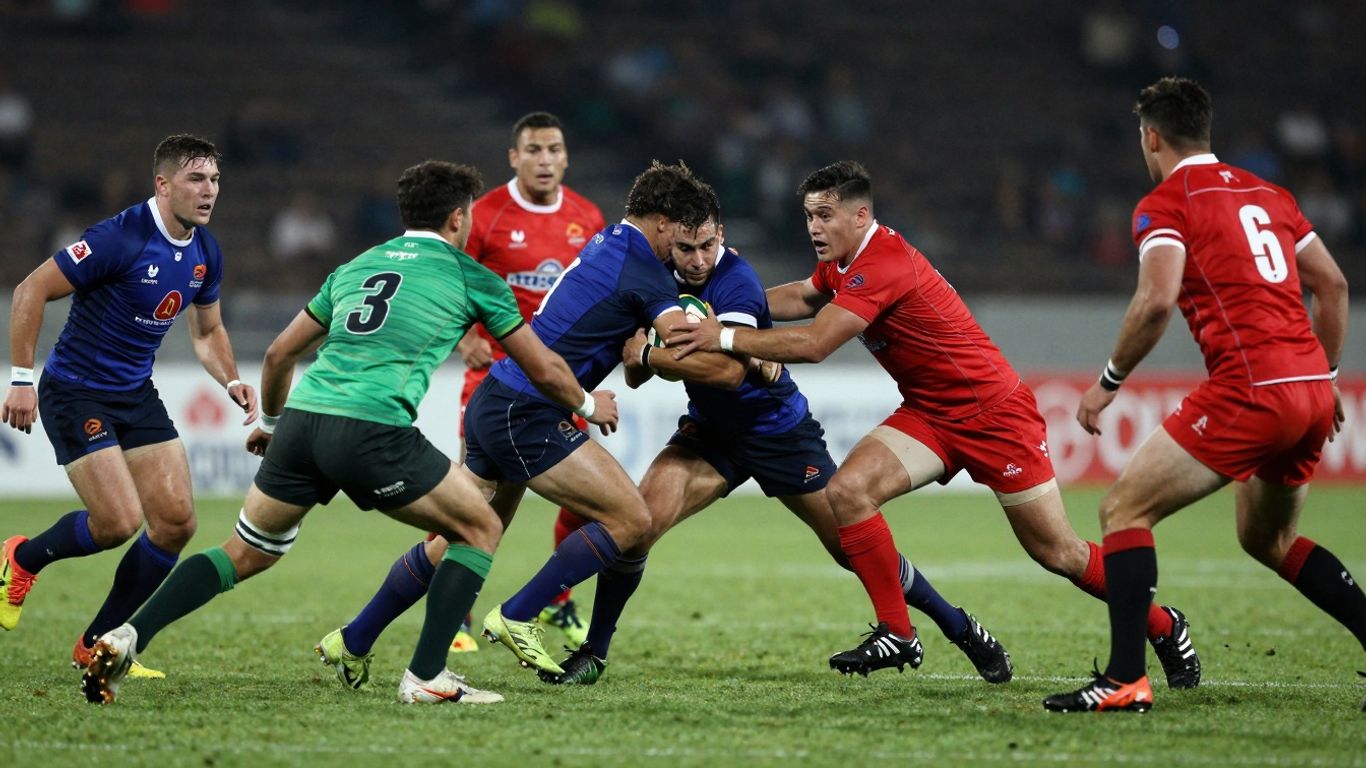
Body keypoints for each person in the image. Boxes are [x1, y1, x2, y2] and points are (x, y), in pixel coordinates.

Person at [79, 160, 618, 705]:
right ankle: (427, 676)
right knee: (480, 527)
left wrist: (270, 424)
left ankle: (128, 634)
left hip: (303, 421)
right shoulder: (473, 278)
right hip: (371, 427)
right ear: (459, 218)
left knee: (244, 550)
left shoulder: (357, 265)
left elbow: (279, 353)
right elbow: (541, 367)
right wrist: (586, 402)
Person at [669, 161, 1202, 686]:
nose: (814, 227)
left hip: (995, 416)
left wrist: (724, 335)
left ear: (860, 215)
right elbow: (808, 295)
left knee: (1058, 552)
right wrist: (734, 307)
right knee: (849, 491)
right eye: (809, 215)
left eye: (825, 215)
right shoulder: (843, 261)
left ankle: (1164, 625)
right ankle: (898, 632)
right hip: (930, 413)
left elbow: (815, 342)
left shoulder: (883, 262)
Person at [544, 210, 1012, 685]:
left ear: (721, 235)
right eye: (686, 249)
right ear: (670, 244)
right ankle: (594, 653)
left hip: (778, 432)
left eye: (706, 245)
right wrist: (645, 356)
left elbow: (729, 374)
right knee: (639, 528)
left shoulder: (737, 280)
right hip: (710, 433)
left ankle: (958, 626)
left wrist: (654, 354)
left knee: (850, 549)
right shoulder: (658, 285)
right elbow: (635, 375)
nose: (698, 259)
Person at [1044, 78, 1360, 713]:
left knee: (1123, 510)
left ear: (1151, 138)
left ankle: (1126, 678)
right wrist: (1325, 377)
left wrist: (1108, 382)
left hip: (1251, 389)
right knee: (1267, 539)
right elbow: (1332, 285)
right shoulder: (1271, 195)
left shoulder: (1166, 203)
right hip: (1309, 391)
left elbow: (1156, 302)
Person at [327, 113, 607, 666]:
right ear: (514, 157)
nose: (545, 159)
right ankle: (455, 614)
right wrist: (467, 339)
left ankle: (557, 602)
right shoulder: (488, 214)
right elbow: (444, 277)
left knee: (588, 504)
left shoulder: (587, 216)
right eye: (534, 150)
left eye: (554, 149)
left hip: (557, 379)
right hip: (497, 381)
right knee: (475, 506)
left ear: (566, 156)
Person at [470, 160, 744, 676]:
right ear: (662, 222)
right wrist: (743, 344)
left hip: (502, 396)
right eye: (681, 234)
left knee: (467, 529)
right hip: (526, 409)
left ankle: (355, 636)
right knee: (631, 519)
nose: (684, 248)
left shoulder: (610, 241)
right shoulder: (645, 271)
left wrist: (640, 353)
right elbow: (684, 343)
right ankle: (518, 613)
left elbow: (630, 352)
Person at [1, 134, 257, 680]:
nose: (209, 190)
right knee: (117, 522)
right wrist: (21, 379)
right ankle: (20, 559)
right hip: (77, 390)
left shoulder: (206, 252)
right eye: (196, 179)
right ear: (163, 185)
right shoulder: (120, 237)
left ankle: (98, 644)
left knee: (176, 523)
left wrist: (232, 379)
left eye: (214, 179)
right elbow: (29, 291)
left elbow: (207, 332)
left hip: (135, 393)